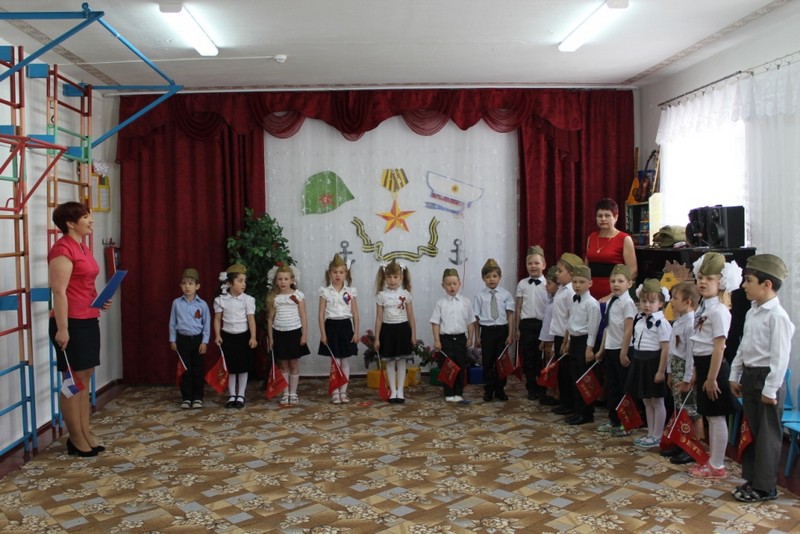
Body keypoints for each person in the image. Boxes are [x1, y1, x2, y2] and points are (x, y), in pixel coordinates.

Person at [730, 254, 795, 501]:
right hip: (750, 375)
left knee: (768, 436)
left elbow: (780, 357)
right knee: (752, 431)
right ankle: (753, 479)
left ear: (767, 284)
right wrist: (735, 374)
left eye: (749, 280)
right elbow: (744, 346)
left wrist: (770, 390)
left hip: (767, 379)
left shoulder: (777, 316)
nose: (744, 285)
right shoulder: (753, 311)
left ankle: (766, 487)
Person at [48, 201, 110, 457]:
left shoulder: (82, 247)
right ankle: (74, 437)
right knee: (72, 381)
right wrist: (63, 329)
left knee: (84, 378)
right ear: (70, 223)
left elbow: (83, 283)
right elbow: (59, 292)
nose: (91, 221)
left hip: (88, 319)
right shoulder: (62, 250)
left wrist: (97, 300)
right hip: (70, 323)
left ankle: (84, 432)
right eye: (85, 217)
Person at [687, 252, 742, 479]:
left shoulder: (719, 310)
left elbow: (719, 347)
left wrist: (711, 378)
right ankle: (713, 460)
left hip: (714, 368)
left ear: (721, 282)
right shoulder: (703, 307)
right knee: (710, 415)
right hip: (703, 366)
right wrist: (695, 372)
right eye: (700, 277)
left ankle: (717, 464)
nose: (703, 282)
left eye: (709, 279)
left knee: (717, 416)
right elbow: (698, 341)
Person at [626, 279, 672, 449]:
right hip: (640, 361)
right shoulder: (639, 320)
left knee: (657, 401)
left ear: (661, 303)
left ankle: (657, 435)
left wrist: (661, 371)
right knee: (647, 400)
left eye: (652, 302)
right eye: (644, 301)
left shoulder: (662, 323)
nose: (647, 305)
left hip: (653, 363)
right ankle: (650, 432)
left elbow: (665, 349)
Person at [663, 281, 703, 465]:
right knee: (679, 408)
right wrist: (670, 371)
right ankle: (681, 442)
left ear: (688, 302)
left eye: (675, 298)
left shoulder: (691, 324)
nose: (671, 301)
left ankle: (694, 447)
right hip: (676, 367)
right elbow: (673, 349)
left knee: (691, 409)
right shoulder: (679, 320)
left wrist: (687, 379)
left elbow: (690, 355)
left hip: (685, 369)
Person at [595, 264, 636, 436]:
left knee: (623, 388)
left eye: (620, 281)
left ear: (629, 284)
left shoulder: (628, 303)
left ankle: (626, 423)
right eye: (613, 281)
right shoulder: (611, 301)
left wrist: (624, 352)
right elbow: (607, 327)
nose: (616, 284)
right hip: (611, 348)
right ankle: (614, 420)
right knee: (612, 386)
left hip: (622, 349)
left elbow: (628, 329)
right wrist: (602, 349)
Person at [214, 263, 257, 409]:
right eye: (240, 281)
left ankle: (241, 394)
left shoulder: (247, 300)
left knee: (243, 367)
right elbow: (217, 319)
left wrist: (253, 337)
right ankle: (232, 394)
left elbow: (251, 319)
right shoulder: (221, 300)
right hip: (228, 337)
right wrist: (217, 335)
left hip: (243, 337)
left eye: (244, 281)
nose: (243, 284)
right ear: (229, 283)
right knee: (231, 367)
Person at [318, 254, 359, 404]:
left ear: (346, 274)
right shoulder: (325, 292)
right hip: (331, 327)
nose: (338, 275)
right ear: (329, 273)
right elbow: (321, 314)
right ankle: (335, 392)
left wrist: (356, 332)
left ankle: (343, 391)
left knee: (345, 361)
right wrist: (323, 334)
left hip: (346, 327)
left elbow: (355, 313)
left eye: (341, 272)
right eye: (335, 272)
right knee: (335, 362)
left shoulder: (350, 292)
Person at [431, 268, 476, 403]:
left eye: (454, 284)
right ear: (443, 285)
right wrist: (437, 340)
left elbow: (471, 321)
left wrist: (470, 337)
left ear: (459, 284)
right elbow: (435, 323)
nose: (452, 287)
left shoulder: (466, 302)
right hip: (446, 340)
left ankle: (458, 392)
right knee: (448, 367)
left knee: (460, 366)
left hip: (461, 339)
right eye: (448, 284)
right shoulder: (440, 303)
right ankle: (449, 392)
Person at [473, 259, 515, 402]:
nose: (491, 279)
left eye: (494, 276)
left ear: (500, 277)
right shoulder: (479, 296)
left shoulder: (506, 294)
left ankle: (500, 389)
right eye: (488, 276)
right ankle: (489, 389)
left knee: (501, 361)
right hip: (487, 332)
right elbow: (476, 318)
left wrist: (510, 334)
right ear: (483, 278)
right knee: (488, 361)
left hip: (502, 331)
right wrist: (477, 336)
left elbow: (510, 315)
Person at [266, 264, 309, 405]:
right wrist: (271, 338)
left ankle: (293, 393)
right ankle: (285, 393)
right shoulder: (274, 298)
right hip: (279, 334)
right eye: (280, 279)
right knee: (283, 365)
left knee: (294, 364)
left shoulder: (297, 295)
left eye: (286, 279)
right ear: (276, 281)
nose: (283, 282)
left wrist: (304, 334)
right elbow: (270, 319)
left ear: (292, 280)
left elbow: (303, 316)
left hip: (294, 333)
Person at [374, 261, 416, 403]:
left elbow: (411, 316)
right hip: (387, 330)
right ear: (384, 278)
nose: (392, 280)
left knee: (402, 361)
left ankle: (400, 391)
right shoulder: (381, 296)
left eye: (395, 277)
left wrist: (413, 334)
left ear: (401, 278)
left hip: (402, 329)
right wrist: (377, 338)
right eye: (389, 277)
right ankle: (392, 391)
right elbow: (379, 318)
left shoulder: (406, 294)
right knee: (390, 362)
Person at [564, 264, 601, 425]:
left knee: (584, 379)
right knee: (575, 378)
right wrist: (568, 342)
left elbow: (593, 328)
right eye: (574, 282)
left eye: (581, 282)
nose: (577, 285)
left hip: (585, 343)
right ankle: (577, 410)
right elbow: (571, 322)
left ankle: (586, 413)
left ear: (590, 283)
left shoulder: (592, 303)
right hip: (575, 341)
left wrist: (589, 348)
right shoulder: (574, 300)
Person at [169, 268, 211, 409]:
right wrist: (173, 340)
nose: (187, 286)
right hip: (182, 340)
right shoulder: (177, 303)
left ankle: (198, 397)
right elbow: (172, 322)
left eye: (191, 283)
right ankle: (187, 397)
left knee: (198, 369)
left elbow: (206, 324)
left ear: (197, 286)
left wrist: (204, 341)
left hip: (197, 340)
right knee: (185, 369)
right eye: (184, 283)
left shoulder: (202, 305)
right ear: (180, 285)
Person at [584, 198, 638, 301]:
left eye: (607, 215)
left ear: (616, 217)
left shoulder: (624, 239)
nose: (603, 219)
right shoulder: (591, 237)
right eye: (599, 216)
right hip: (590, 295)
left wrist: (613, 294)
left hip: (614, 296)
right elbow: (586, 267)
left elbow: (633, 271)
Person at [515, 245, 548, 401]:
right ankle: (531, 386)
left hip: (542, 325)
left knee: (540, 357)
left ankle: (542, 386)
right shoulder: (522, 284)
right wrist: (516, 328)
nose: (533, 266)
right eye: (530, 263)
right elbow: (518, 307)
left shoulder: (548, 284)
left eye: (536, 263)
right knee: (528, 356)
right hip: (526, 325)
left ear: (544, 265)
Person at [549, 252, 581, 415]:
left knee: (568, 372)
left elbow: (571, 318)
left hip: (566, 337)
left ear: (571, 274)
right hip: (559, 335)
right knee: (562, 372)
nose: (557, 273)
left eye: (560, 271)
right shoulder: (561, 289)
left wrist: (567, 341)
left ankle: (571, 404)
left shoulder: (571, 293)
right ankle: (565, 402)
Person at [537, 266, 561, 406]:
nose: (546, 286)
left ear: (557, 285)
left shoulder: (558, 301)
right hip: (546, 340)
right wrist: (542, 339)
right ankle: (549, 393)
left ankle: (556, 395)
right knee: (547, 367)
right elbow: (546, 323)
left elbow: (556, 324)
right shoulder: (550, 300)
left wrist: (552, 344)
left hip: (553, 341)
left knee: (553, 370)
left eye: (549, 283)